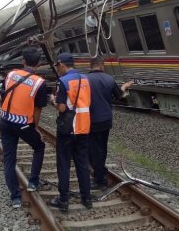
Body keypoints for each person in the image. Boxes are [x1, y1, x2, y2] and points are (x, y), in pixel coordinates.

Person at [0, 48, 48, 208]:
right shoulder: (39, 83)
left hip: (5, 121)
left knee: (9, 159)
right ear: (39, 63)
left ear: (23, 61)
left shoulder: (11, 74)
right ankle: (33, 182)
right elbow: (37, 109)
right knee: (39, 146)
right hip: (23, 124)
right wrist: (36, 128)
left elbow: (5, 92)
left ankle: (15, 198)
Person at [49, 52, 92, 212]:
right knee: (82, 163)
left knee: (64, 163)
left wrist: (53, 101)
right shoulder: (85, 79)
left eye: (57, 66)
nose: (57, 69)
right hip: (84, 125)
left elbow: (61, 107)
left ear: (61, 64)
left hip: (68, 128)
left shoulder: (63, 81)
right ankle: (86, 199)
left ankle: (64, 200)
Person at [86, 57, 132, 190]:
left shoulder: (84, 80)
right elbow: (119, 97)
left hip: (90, 119)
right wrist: (124, 86)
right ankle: (99, 174)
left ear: (91, 66)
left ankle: (99, 179)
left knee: (93, 149)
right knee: (102, 148)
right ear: (101, 66)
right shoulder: (109, 79)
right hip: (105, 120)